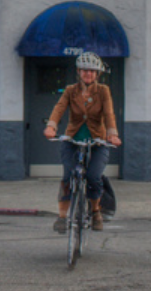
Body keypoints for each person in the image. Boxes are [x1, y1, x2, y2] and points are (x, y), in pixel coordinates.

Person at [42, 51, 120, 232]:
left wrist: (112, 134)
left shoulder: (103, 91)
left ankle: (95, 211)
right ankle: (62, 216)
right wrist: (51, 126)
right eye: (85, 70)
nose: (88, 74)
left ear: (97, 74)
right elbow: (59, 108)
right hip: (73, 140)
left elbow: (109, 114)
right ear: (79, 72)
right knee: (68, 177)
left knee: (93, 176)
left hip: (97, 142)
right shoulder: (71, 90)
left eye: (92, 71)